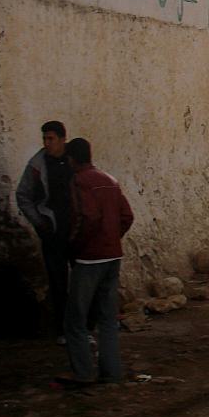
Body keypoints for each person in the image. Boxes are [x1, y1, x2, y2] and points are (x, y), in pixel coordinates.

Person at [58, 138, 134, 386]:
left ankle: (82, 372)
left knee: (75, 320)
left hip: (90, 258)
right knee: (108, 318)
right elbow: (126, 215)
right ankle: (111, 371)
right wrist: (113, 237)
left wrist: (74, 244)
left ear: (71, 159)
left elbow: (87, 217)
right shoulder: (109, 180)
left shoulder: (80, 181)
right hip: (113, 255)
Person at [16, 121, 74, 343]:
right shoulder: (37, 164)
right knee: (58, 281)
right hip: (52, 230)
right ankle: (62, 329)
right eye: (45, 139)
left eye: (51, 138)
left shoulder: (73, 159)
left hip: (76, 229)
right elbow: (23, 195)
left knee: (80, 280)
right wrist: (39, 222)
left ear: (62, 139)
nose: (47, 143)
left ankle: (82, 325)